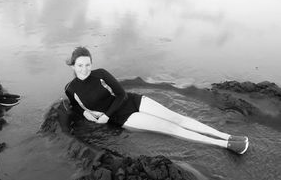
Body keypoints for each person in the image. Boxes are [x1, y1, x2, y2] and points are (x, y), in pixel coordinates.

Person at [64, 47, 249, 155]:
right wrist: (85, 113)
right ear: (72, 65)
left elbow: (121, 94)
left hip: (132, 101)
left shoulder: (101, 74)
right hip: (125, 118)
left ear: (91, 63)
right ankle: (226, 145)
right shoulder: (71, 89)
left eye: (88, 64)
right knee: (171, 128)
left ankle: (226, 135)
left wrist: (106, 115)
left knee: (177, 118)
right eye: (80, 65)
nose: (84, 69)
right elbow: (75, 108)